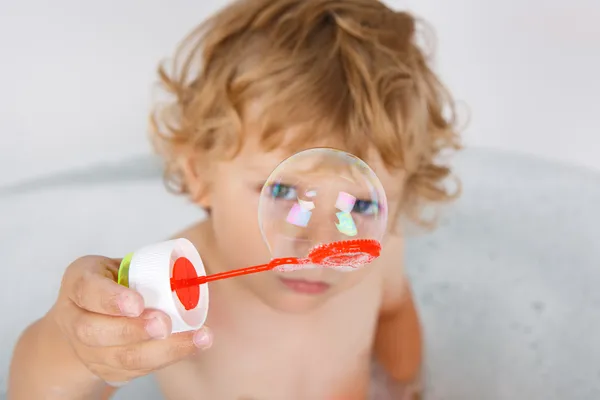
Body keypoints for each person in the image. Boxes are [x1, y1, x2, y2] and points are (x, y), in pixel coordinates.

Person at [8, 0, 461, 398]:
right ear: (199, 174)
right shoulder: (170, 291)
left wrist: (405, 385)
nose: (320, 242)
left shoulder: (379, 255)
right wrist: (76, 348)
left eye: (361, 206)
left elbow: (394, 313)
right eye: (282, 191)